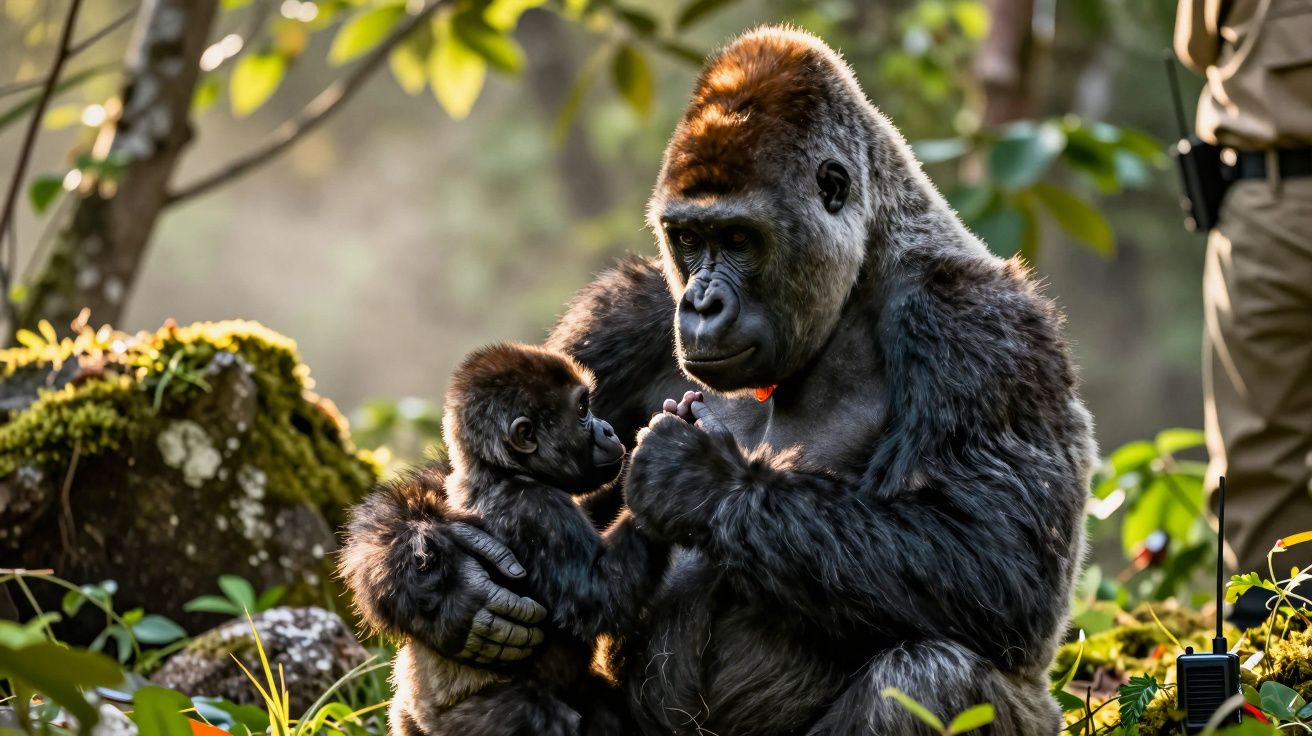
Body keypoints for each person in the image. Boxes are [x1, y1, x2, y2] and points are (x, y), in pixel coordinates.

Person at [1175, 0, 1312, 625]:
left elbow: (1197, 45)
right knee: (1256, 442)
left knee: (1259, 445)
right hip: (1265, 204)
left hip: (1271, 199)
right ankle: (1276, 653)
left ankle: (1275, 661)